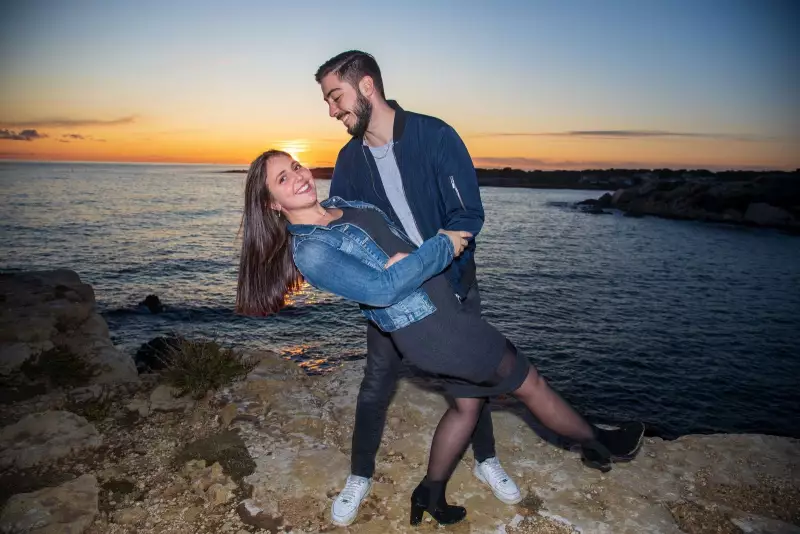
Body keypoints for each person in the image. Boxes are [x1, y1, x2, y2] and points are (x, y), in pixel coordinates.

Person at [235, 150, 645, 527]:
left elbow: (395, 254)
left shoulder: (349, 206)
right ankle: (601, 442)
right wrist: (439, 248)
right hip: (432, 331)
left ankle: (430, 493)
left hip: (443, 309)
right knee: (528, 381)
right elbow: (381, 290)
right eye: (283, 179)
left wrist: (405, 263)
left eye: (296, 165)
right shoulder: (311, 250)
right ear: (273, 203)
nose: (299, 177)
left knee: (467, 408)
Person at [314, 50, 519, 526]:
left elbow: (467, 216)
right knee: (375, 385)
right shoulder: (348, 160)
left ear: (366, 87)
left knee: (475, 374)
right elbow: (342, 227)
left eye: (335, 97)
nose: (330, 111)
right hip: (390, 297)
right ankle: (359, 476)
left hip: (453, 285)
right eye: (326, 101)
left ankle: (487, 461)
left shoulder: (434, 134)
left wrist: (430, 261)